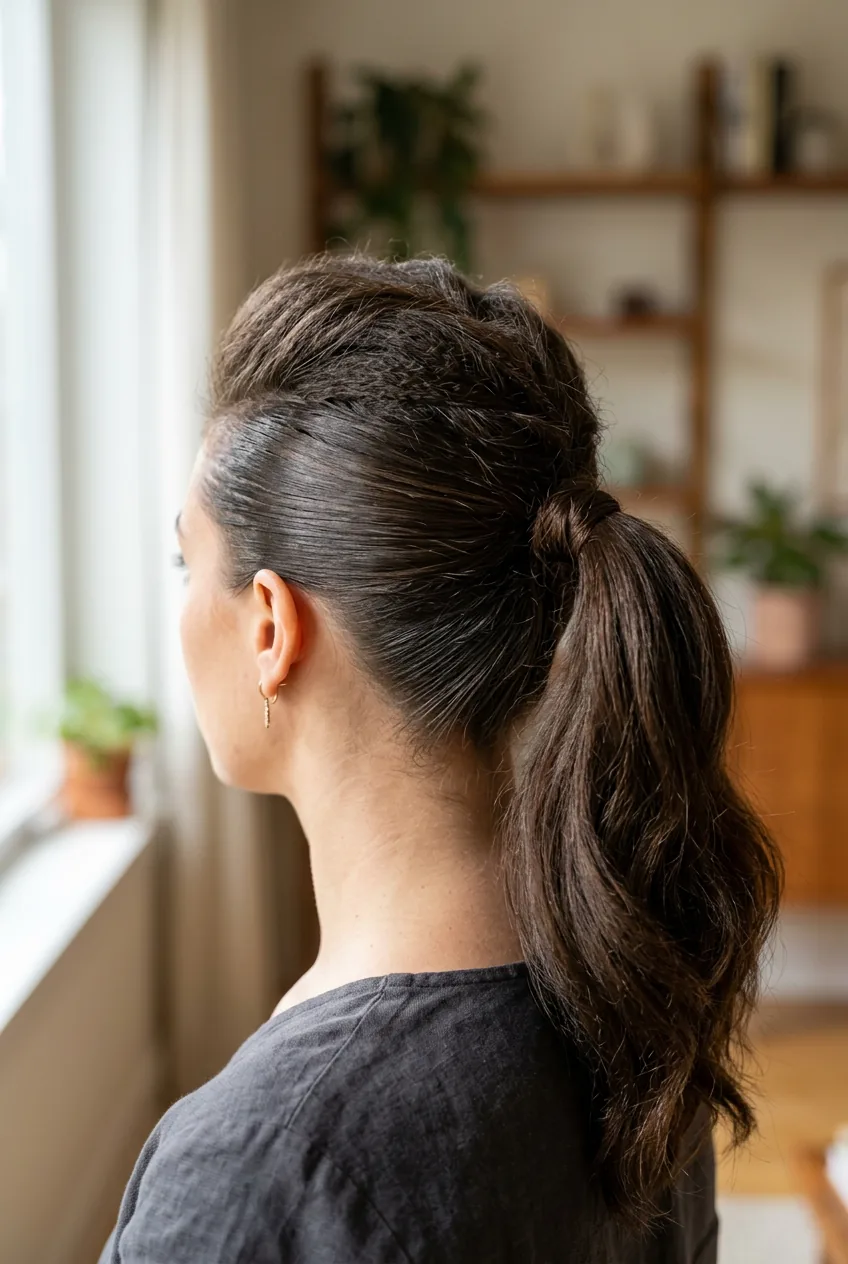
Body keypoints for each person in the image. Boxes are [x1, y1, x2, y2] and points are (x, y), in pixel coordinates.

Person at [99, 253, 781, 1263]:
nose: (182, 603)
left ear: (271, 628)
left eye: (184, 560)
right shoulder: (635, 1006)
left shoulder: (255, 1169)